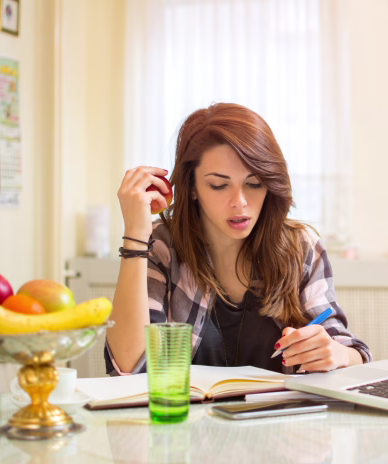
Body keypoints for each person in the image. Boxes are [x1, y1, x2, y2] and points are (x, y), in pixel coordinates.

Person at [105, 103, 371, 376]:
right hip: (185, 419)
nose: (240, 203)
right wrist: (136, 235)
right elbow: (126, 369)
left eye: (254, 183)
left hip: (281, 418)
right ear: (192, 187)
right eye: (219, 185)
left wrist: (335, 353)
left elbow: (350, 352)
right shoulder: (161, 246)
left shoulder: (300, 246)